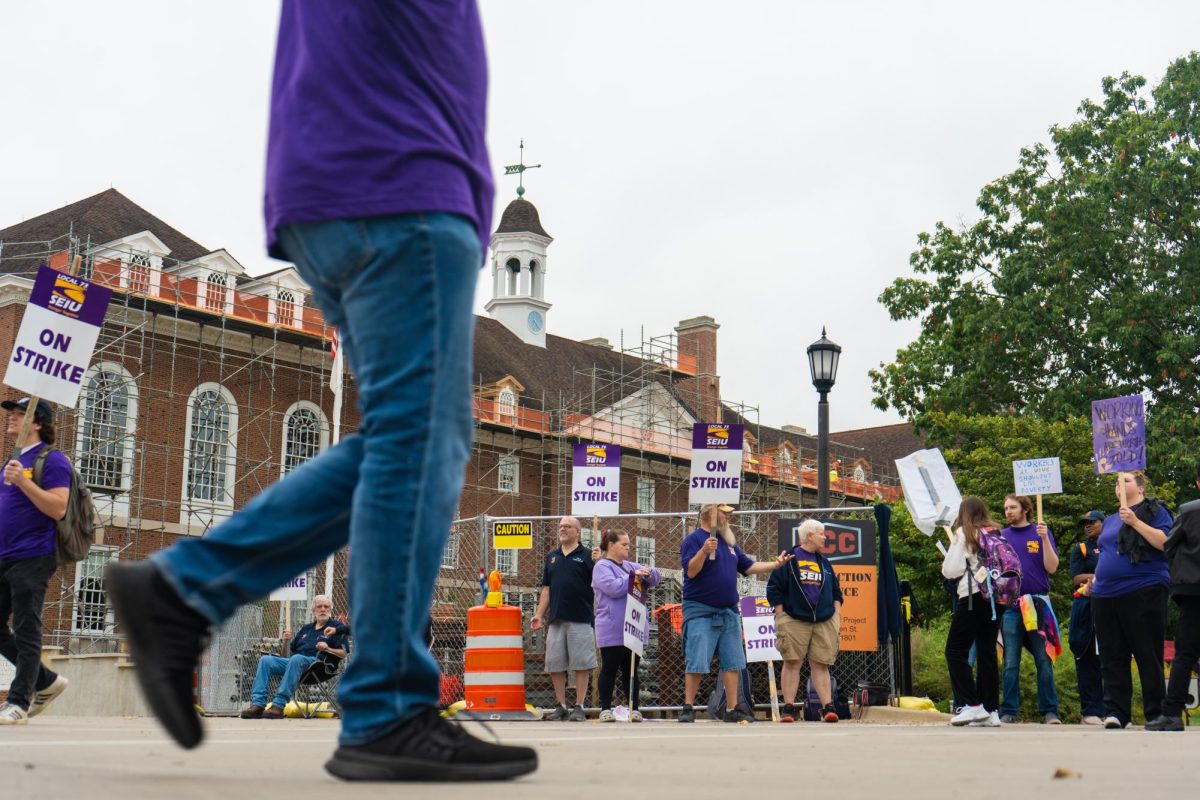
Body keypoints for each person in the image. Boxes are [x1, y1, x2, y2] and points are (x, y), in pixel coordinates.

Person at [104, 1, 538, 782]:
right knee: (420, 443)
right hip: (402, 183)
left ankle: (183, 591)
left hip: (337, 188)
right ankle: (386, 705)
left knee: (401, 443)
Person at [678, 503, 792, 723]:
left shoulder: (729, 543)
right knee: (697, 660)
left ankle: (732, 709)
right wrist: (703, 551)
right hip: (700, 610)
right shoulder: (693, 540)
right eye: (724, 512)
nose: (730, 515)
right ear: (709, 513)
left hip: (728, 611)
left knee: (733, 662)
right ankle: (688, 707)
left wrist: (775, 565)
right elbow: (691, 571)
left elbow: (748, 567)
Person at [0, 397, 71, 725]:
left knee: (27, 627)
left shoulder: (53, 460)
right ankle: (46, 681)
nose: (11, 419)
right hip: (4, 555)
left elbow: (58, 508)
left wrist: (24, 481)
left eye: (18, 414)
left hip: (33, 555)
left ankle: (19, 702)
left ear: (37, 421)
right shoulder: (11, 462)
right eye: (11, 414)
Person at [1090, 471, 1173, 729]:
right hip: (1105, 594)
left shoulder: (1155, 511)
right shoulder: (1113, 519)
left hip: (1143, 589)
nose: (1119, 485)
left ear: (1140, 487)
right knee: (1112, 655)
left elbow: (1165, 543)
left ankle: (1155, 711)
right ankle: (1116, 711)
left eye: (1125, 480)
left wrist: (1136, 522)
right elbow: (1107, 551)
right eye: (1117, 482)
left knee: (1147, 652)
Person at [767, 519, 843, 723]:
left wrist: (835, 612)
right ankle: (789, 709)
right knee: (793, 662)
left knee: (821, 663)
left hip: (824, 620)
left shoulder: (825, 562)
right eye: (821, 533)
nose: (825, 537)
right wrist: (781, 614)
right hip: (793, 618)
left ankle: (827, 708)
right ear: (809, 535)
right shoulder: (789, 559)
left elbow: (836, 591)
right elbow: (774, 588)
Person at [941, 496, 1005, 728]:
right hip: (997, 597)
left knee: (955, 650)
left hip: (972, 594)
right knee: (987, 651)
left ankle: (971, 705)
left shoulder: (964, 532)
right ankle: (991, 710)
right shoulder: (996, 532)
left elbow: (950, 569)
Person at [997, 493, 1061, 724]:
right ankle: (1008, 711)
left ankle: (1050, 711)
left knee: (1044, 660)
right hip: (1013, 606)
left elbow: (1052, 568)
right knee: (1011, 661)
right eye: (1006, 508)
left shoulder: (1040, 532)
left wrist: (1044, 540)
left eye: (1013, 507)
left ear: (1025, 509)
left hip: (1038, 603)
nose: (1008, 512)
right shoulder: (1002, 537)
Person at [1147, 461, 1200, 731]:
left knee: (1185, 653)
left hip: (1193, 589)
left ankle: (1172, 713)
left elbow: (1168, 544)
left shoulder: (1189, 511)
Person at [531, 516, 599, 721]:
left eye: (567, 527)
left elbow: (599, 583)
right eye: (561, 526)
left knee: (581, 663)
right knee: (555, 663)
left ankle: (579, 706)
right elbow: (547, 589)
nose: (562, 529)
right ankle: (561, 706)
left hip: (581, 618)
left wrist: (600, 562)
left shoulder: (588, 556)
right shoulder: (552, 556)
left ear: (578, 532)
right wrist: (539, 614)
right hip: (556, 619)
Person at [591, 529, 661, 722]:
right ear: (611, 545)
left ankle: (634, 708)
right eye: (624, 544)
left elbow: (655, 577)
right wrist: (633, 577)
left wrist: (649, 572)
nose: (628, 548)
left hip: (633, 626)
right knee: (610, 668)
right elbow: (612, 588)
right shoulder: (602, 566)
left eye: (629, 544)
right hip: (612, 626)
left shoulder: (629, 565)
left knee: (632, 669)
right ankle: (605, 708)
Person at [240, 595, 348, 719]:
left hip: (319, 666)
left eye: (326, 607)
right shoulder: (306, 629)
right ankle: (257, 705)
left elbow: (343, 653)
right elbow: (286, 655)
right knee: (266, 660)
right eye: (319, 607)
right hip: (296, 664)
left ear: (330, 609)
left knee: (297, 658)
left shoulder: (336, 627)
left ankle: (278, 706)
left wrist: (327, 648)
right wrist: (286, 641)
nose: (323, 609)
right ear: (313, 611)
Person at [1068, 510, 1105, 725]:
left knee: (1110, 657)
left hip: (1110, 604)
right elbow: (1076, 578)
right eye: (1085, 523)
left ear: (1104, 522)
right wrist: (1100, 575)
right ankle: (1090, 709)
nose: (1088, 526)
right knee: (1086, 655)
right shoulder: (1081, 549)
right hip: (1086, 606)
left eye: (1092, 522)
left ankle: (1113, 707)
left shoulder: (1115, 543)